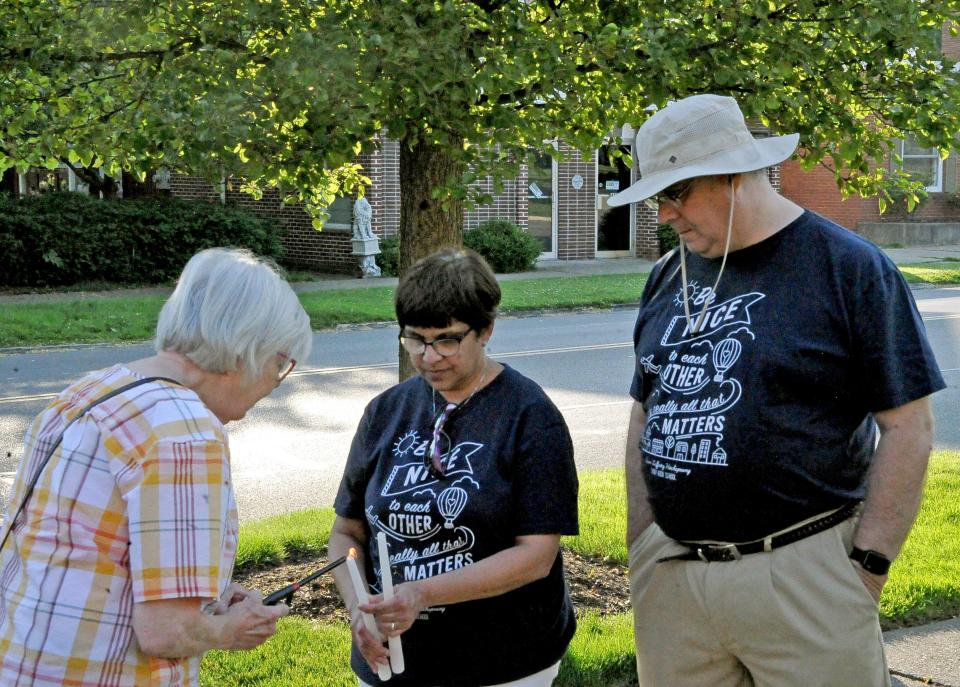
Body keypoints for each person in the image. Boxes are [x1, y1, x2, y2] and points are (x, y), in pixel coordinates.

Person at [607, 94, 946, 686]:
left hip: (801, 575)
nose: (664, 215)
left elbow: (908, 427)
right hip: (673, 580)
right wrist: (642, 544)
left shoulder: (849, 269)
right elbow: (645, 411)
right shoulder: (670, 273)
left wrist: (865, 568)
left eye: (676, 193)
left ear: (736, 174)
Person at [0, 248, 312, 686]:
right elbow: (167, 632)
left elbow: (84, 550)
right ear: (249, 349)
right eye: (281, 365)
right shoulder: (186, 431)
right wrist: (232, 629)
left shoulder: (90, 391)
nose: (273, 387)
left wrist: (209, 595)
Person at [330, 248, 579, 687]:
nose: (428, 357)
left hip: (502, 661)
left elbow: (536, 556)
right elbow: (346, 534)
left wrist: (422, 593)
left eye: (446, 339)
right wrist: (359, 610)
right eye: (414, 339)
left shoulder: (529, 415)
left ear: (486, 330)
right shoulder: (385, 411)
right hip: (391, 662)